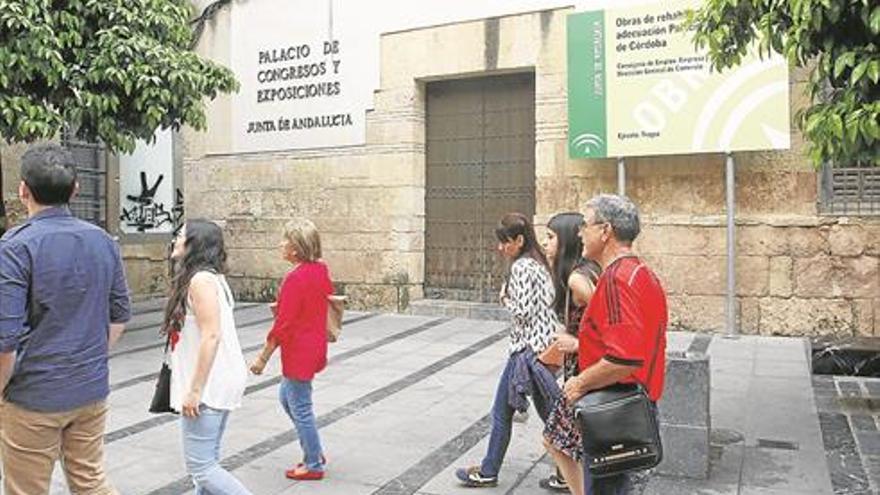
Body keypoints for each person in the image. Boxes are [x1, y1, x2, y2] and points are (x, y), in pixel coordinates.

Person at [0, 143, 131, 495]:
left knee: (25, 489)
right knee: (90, 480)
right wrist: (87, 358)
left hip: (33, 395)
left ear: (23, 190)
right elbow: (120, 314)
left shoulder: (15, 247)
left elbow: (5, 340)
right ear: (76, 189)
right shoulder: (104, 241)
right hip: (90, 389)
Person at [546, 194, 668, 495]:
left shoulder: (616, 279)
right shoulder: (640, 272)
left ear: (606, 231)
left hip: (616, 409)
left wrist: (579, 383)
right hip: (632, 405)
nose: (579, 232)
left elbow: (624, 359)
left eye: (585, 225)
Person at [455, 212, 561, 488]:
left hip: (526, 351)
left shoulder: (523, 266)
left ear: (519, 240)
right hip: (542, 348)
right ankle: (565, 472)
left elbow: (523, 312)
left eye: (505, 242)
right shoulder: (540, 263)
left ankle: (489, 471)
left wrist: (505, 298)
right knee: (550, 414)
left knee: (503, 412)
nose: (500, 248)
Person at [163, 219, 251, 495]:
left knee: (202, 468)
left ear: (195, 243)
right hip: (218, 378)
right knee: (206, 465)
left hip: (210, 384)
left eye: (180, 235)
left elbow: (211, 335)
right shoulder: (209, 278)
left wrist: (195, 390)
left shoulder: (201, 280)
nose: (175, 239)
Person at [249, 218, 333, 481]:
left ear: (296, 248)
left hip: (299, 351)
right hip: (313, 346)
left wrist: (262, 358)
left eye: (285, 239)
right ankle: (314, 450)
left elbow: (282, 326)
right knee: (288, 398)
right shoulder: (320, 270)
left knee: (300, 406)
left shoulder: (295, 278)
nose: (280, 243)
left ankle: (313, 463)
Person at [539, 212, 601, 493]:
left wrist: (577, 344)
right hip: (584, 372)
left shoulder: (578, 280)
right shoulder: (582, 273)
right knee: (563, 442)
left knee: (556, 441)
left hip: (587, 375)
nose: (545, 243)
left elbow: (610, 323)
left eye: (551, 237)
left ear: (565, 242)